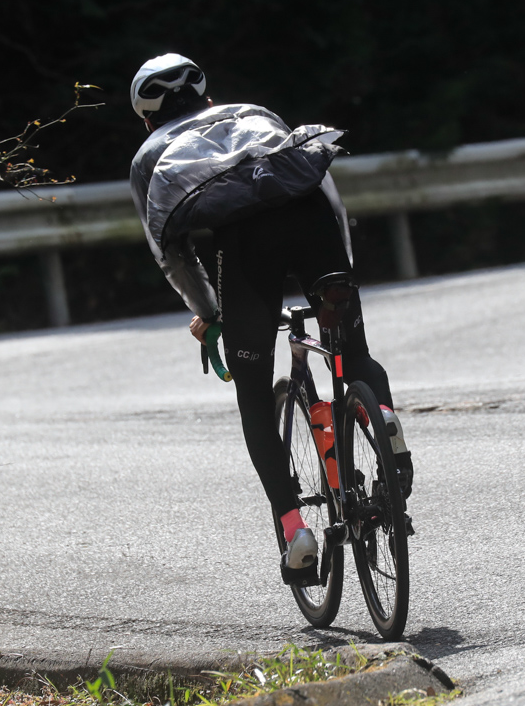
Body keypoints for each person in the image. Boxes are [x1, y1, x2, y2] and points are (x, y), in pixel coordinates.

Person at [127, 53, 413, 583]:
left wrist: (210, 314)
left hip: (244, 251)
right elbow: (321, 185)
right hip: (315, 227)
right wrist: (342, 274)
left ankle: (295, 532)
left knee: (255, 394)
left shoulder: (149, 156)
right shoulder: (254, 114)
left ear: (147, 119)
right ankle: (383, 417)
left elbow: (172, 254)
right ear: (207, 96)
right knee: (353, 354)